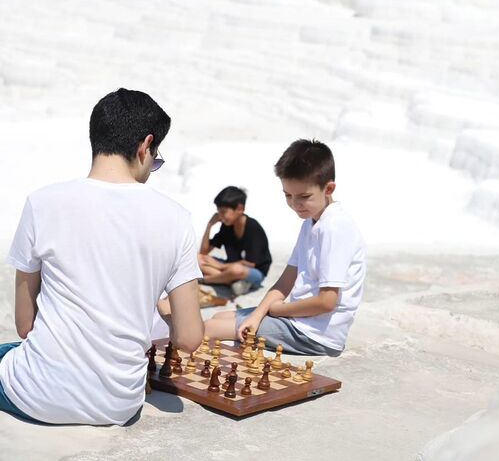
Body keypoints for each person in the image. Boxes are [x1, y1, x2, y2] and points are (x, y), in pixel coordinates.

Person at [0, 89, 204, 425]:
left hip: (36, 394)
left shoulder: (43, 202)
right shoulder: (177, 218)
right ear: (145, 146)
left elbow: (25, 326)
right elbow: (189, 338)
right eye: (157, 158)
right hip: (119, 403)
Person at [204, 139, 366, 357]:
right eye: (288, 195)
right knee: (219, 318)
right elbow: (287, 278)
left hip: (315, 335)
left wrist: (279, 310)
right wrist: (259, 314)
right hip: (299, 321)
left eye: (304, 196)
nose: (294, 204)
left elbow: (328, 301)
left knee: (211, 328)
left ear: (328, 188)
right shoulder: (310, 223)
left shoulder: (335, 227)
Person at [198, 186, 272, 296]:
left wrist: (220, 266)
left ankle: (207, 279)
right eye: (218, 212)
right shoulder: (227, 227)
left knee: (237, 270)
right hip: (229, 268)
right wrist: (209, 226)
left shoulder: (253, 227)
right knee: (198, 258)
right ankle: (231, 281)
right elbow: (204, 252)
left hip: (253, 273)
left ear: (240, 209)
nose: (220, 216)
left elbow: (250, 263)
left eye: (223, 212)